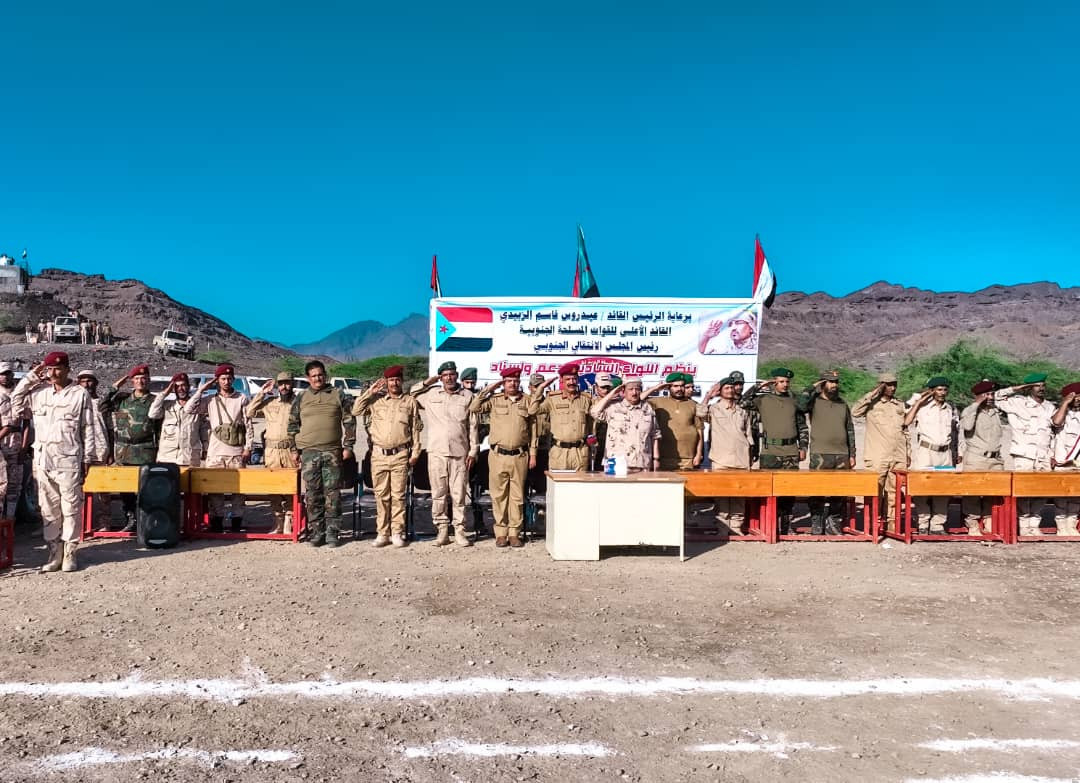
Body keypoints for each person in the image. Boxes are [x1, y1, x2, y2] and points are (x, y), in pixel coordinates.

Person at [13, 352, 100, 572]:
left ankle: (70, 552)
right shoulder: (39, 393)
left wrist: (88, 458)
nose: (53, 373)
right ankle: (54, 552)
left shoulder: (79, 394)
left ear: (68, 369)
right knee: (48, 508)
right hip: (44, 460)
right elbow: (16, 401)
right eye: (49, 369)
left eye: (58, 368)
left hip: (69, 458)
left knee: (71, 507)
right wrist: (31, 377)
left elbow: (88, 428)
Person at [287, 360, 356, 547]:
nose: (317, 378)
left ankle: (333, 533)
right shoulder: (301, 397)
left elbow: (349, 420)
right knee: (312, 494)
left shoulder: (338, 394)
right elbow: (292, 424)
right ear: (308, 378)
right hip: (309, 453)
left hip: (332, 451)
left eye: (320, 374)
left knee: (332, 494)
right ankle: (317, 532)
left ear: (325, 375)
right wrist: (293, 450)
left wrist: (348, 446)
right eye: (313, 375)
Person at [352, 365, 422, 548]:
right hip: (379, 455)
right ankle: (382, 533)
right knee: (381, 496)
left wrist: (416, 452)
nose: (394, 383)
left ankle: (397, 532)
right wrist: (370, 392)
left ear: (402, 381)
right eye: (391, 380)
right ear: (386, 382)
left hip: (400, 454)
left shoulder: (409, 402)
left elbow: (415, 429)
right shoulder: (376, 401)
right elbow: (356, 410)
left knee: (398, 496)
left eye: (397, 379)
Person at [410, 361, 478, 547]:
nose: (449, 378)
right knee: (439, 493)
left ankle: (460, 531)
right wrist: (428, 382)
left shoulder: (467, 396)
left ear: (457, 375)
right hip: (437, 452)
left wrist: (473, 451)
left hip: (459, 453)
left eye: (452, 374)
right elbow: (412, 394)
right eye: (445, 375)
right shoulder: (431, 395)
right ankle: (442, 531)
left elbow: (473, 426)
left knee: (459, 494)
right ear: (441, 377)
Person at [469, 367, 536, 547]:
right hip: (498, 455)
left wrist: (533, 454)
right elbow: (474, 407)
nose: (512, 384)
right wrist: (489, 389)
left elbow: (533, 430)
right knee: (498, 496)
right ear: (503, 383)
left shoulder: (527, 401)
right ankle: (501, 533)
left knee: (517, 496)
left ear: (519, 382)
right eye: (508, 381)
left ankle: (514, 533)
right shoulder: (494, 400)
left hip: (520, 455)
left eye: (515, 381)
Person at [185, 364, 254, 532]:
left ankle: (236, 523)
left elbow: (248, 424)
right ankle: (217, 523)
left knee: (238, 491)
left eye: (229, 378)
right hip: (216, 453)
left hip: (236, 453)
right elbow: (188, 409)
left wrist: (248, 447)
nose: (226, 381)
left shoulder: (241, 398)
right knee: (215, 491)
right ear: (217, 380)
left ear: (233, 379)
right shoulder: (210, 400)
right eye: (223, 378)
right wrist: (201, 390)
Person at [741, 368, 807, 534]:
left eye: (787, 382)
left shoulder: (794, 401)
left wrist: (803, 447)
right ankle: (768, 525)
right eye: (781, 381)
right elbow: (742, 402)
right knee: (768, 491)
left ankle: (786, 526)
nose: (785, 385)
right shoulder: (763, 400)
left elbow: (802, 426)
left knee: (789, 492)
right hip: (770, 452)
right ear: (773, 382)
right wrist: (759, 386)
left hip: (790, 452)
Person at [996, 373, 1057, 535]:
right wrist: (1018, 388)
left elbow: (1052, 433)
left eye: (1043, 385)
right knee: (1023, 490)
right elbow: (996, 397)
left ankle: (1034, 524)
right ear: (1029, 388)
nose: (1041, 388)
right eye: (1037, 385)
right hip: (1024, 454)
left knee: (1041, 491)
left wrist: (1052, 454)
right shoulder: (1017, 403)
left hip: (1043, 455)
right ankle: (1023, 525)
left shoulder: (1050, 407)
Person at [101, 364, 159, 532]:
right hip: (124, 452)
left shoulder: (154, 401)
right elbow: (103, 406)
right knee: (125, 489)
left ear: (148, 380)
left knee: (145, 489)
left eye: (144, 378)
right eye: (137, 378)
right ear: (132, 381)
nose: (140, 381)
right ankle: (130, 518)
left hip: (145, 452)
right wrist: (115, 387)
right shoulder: (122, 399)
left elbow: (160, 427)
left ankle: (145, 521)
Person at [799, 371, 856, 535]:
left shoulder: (842, 404)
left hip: (841, 454)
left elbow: (850, 429)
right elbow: (800, 405)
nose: (834, 385)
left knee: (839, 490)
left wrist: (852, 454)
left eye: (836, 382)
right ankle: (816, 521)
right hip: (820, 453)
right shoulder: (814, 402)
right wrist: (813, 386)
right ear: (823, 383)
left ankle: (833, 521)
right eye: (830, 382)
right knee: (816, 489)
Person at [852, 372, 908, 532]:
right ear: (881, 385)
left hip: (897, 455)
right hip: (877, 455)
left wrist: (908, 453)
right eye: (888, 385)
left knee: (895, 492)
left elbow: (904, 430)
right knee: (874, 491)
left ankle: (892, 525)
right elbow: (855, 411)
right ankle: (873, 524)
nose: (892, 388)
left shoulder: (899, 405)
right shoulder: (871, 404)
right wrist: (873, 393)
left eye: (894, 384)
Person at [697, 376, 754, 534]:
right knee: (721, 495)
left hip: (741, 459)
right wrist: (709, 395)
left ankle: (736, 526)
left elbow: (749, 437)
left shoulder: (742, 412)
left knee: (739, 496)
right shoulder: (714, 409)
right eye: (726, 388)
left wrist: (749, 458)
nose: (730, 391)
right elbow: (700, 413)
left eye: (732, 388)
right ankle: (723, 527)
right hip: (721, 459)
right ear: (720, 391)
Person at [904, 376, 958, 534]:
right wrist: (921, 398)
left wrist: (957, 451)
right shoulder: (922, 407)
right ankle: (922, 523)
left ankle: (937, 525)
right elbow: (906, 419)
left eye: (945, 390)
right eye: (939, 389)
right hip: (926, 452)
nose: (942, 393)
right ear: (932, 391)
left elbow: (955, 431)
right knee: (921, 487)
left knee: (943, 489)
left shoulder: (950, 408)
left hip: (945, 453)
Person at [247, 372, 299, 534]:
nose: (284, 387)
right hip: (272, 452)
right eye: (281, 383)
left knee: (290, 487)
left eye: (287, 383)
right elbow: (249, 412)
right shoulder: (270, 403)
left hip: (290, 450)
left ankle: (289, 521)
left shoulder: (298, 404)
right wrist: (262, 393)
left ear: (292, 384)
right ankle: (278, 521)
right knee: (273, 486)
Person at [959, 380, 1005, 535]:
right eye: (987, 394)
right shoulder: (970, 410)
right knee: (972, 492)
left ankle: (988, 519)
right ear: (978, 396)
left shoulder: (995, 412)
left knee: (993, 492)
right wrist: (976, 404)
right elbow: (967, 426)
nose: (990, 397)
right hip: (976, 458)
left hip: (995, 459)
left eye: (992, 394)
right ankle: (972, 522)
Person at [529, 364, 592, 472]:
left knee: (580, 483)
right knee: (558, 483)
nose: (571, 382)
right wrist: (540, 389)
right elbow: (532, 411)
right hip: (559, 453)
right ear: (561, 380)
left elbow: (593, 420)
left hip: (581, 453)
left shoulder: (586, 399)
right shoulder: (553, 398)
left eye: (574, 379)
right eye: (568, 379)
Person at [590, 376, 660, 471]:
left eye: (637, 389)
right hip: (616, 464)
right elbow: (594, 412)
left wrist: (656, 459)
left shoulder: (647, 408)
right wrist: (611, 394)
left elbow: (655, 434)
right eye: (630, 389)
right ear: (623, 391)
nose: (634, 393)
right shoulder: (614, 407)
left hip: (642, 463)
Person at [644, 372, 703, 470]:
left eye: (682, 386)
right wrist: (655, 388)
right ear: (668, 387)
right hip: (663, 458)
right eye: (675, 386)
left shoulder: (693, 404)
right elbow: (638, 399)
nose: (679, 389)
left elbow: (699, 431)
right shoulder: (657, 402)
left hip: (688, 459)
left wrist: (699, 454)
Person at [149, 373, 202, 467]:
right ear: (173, 389)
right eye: (177, 386)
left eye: (183, 385)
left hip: (189, 458)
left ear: (188, 387)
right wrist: (164, 393)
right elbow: (152, 414)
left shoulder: (197, 407)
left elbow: (204, 431)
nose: (180, 389)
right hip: (167, 458)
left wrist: (205, 449)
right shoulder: (167, 406)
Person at [0, 362, 31, 518]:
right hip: (1, 443)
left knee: (15, 485)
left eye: (7, 373)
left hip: (16, 443)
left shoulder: (20, 395)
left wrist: (24, 448)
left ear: (12, 374)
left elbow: (26, 423)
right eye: (2, 374)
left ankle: (10, 519)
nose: (5, 377)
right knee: (1, 486)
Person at [1052, 382, 1080, 535]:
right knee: (1061, 496)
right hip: (1062, 461)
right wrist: (1065, 404)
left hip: (1078, 462)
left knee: (1077, 496)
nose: (1078, 399)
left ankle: (1071, 525)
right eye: (1074, 397)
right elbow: (1056, 422)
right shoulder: (1061, 413)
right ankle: (1061, 526)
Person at [590, 372, 614, 470]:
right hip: (594, 445)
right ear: (596, 387)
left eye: (608, 387)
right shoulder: (590, 402)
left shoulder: (616, 403)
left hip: (611, 445)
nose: (606, 390)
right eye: (603, 387)